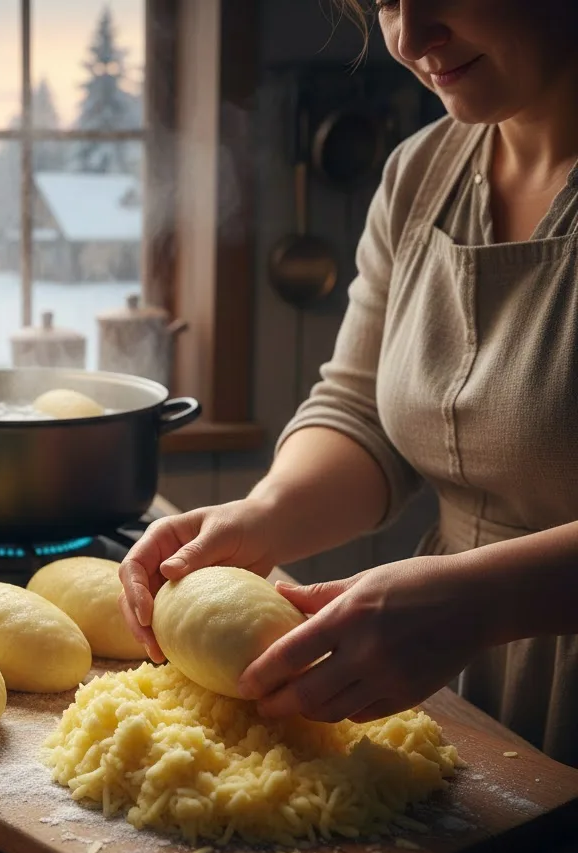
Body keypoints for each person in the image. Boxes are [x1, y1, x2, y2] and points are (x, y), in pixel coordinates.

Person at [118, 0, 578, 765]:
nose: (408, 38)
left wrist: (484, 599)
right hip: (469, 682)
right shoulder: (421, 171)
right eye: (387, 0)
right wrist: (263, 516)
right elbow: (361, 410)